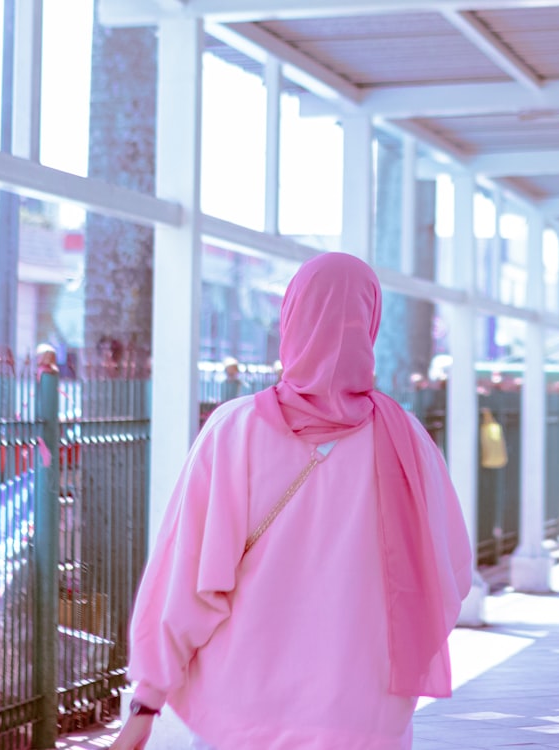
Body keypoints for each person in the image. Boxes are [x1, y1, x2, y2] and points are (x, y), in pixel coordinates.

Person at [110, 253, 473, 750]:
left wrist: (147, 700)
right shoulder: (407, 440)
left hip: (243, 710)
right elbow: (451, 571)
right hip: (363, 715)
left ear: (292, 318)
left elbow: (188, 576)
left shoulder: (234, 431)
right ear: (370, 323)